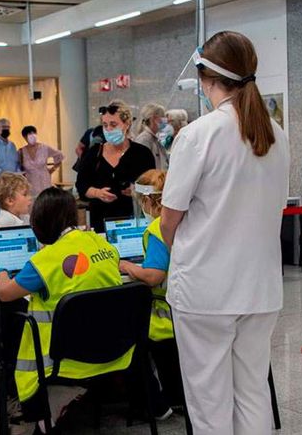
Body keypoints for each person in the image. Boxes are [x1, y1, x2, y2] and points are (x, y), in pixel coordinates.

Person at [160, 31, 290, 435]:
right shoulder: (276, 135)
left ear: (206, 78)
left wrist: (174, 249)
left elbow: (169, 219)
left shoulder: (198, 134)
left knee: (208, 400)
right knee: (252, 392)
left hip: (206, 291)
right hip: (260, 289)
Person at [0, 187, 128, 433]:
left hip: (62, 362)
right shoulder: (102, 245)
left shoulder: (47, 260)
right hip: (114, 351)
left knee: (11, 319)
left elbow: (4, 293)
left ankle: (29, 409)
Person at [119, 169, 183, 419]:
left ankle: (155, 404)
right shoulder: (183, 220)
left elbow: (154, 276)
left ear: (147, 201)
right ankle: (177, 398)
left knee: (127, 339)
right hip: (185, 311)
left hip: (164, 319)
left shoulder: (156, 229)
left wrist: (127, 266)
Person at [75, 100, 156, 232]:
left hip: (134, 220)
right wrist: (97, 193)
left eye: (113, 125)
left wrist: (136, 191)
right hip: (100, 222)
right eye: (105, 125)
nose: (108, 130)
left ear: (127, 124)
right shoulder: (94, 153)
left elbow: (154, 185)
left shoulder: (142, 154)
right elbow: (81, 185)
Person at [18, 125, 64, 197]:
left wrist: (52, 169)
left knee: (46, 203)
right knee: (33, 204)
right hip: (30, 184)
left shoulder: (44, 148)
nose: (32, 137)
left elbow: (59, 155)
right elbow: (18, 167)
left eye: (34, 134)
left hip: (45, 182)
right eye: (29, 135)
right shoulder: (21, 152)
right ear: (24, 137)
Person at [134, 103, 170, 169]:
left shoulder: (155, 139)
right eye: (163, 117)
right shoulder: (144, 139)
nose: (166, 120)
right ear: (154, 119)